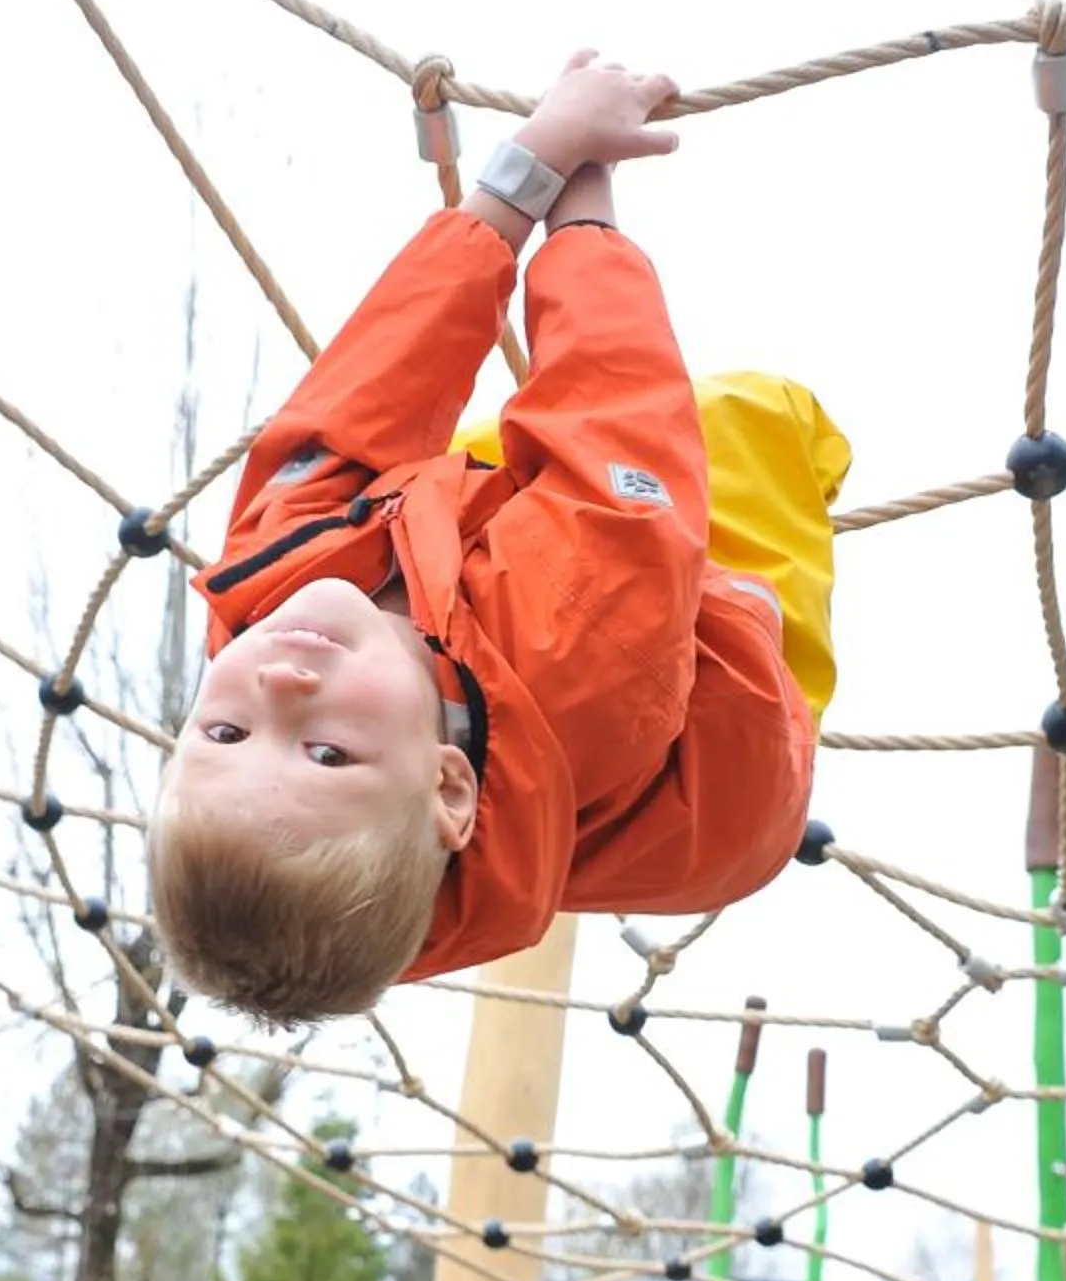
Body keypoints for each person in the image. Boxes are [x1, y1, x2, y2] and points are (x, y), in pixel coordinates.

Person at [148, 50, 848, 1022]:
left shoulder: (270, 591)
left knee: (473, 464)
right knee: (744, 421)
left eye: (223, 731)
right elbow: (615, 398)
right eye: (325, 755)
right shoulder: (577, 638)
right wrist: (581, 188)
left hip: (498, 654)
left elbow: (358, 398)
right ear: (445, 782)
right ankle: (745, 614)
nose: (279, 684)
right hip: (725, 784)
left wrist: (515, 176)